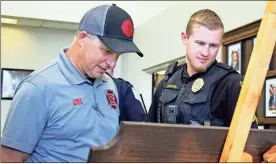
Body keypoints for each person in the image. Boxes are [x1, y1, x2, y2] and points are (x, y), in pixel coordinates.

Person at [1, 4, 143, 163]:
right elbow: (9, 158)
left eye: (118, 55)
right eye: (107, 51)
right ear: (82, 38)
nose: (112, 64)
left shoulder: (109, 85)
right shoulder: (38, 88)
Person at [148, 9, 258, 128]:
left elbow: (250, 141)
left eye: (213, 46)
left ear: (220, 44)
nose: (205, 53)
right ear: (185, 38)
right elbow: (147, 132)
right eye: (200, 43)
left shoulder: (231, 84)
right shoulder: (167, 82)